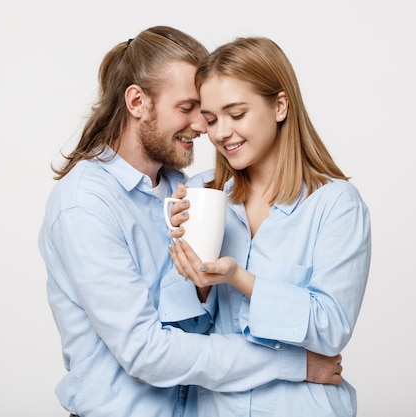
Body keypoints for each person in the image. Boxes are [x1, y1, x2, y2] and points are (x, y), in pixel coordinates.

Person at [38, 27, 344, 417]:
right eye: (187, 108)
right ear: (137, 102)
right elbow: (145, 351)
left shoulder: (186, 192)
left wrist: (202, 287)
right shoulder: (84, 205)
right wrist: (293, 364)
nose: (203, 126)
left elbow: (200, 324)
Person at [164, 36, 372, 417]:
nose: (221, 132)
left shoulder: (335, 204)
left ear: (280, 106)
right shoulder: (200, 193)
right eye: (211, 119)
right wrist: (196, 277)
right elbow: (178, 341)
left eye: (236, 114)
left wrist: (240, 279)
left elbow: (330, 328)